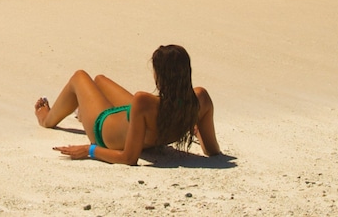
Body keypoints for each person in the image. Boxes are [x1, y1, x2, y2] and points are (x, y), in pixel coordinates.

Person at [34, 44, 220, 165]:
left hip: (103, 130)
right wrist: (194, 127)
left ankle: (46, 118)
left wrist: (89, 150)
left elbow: (128, 158)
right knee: (99, 80)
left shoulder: (144, 101)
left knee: (79, 77)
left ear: (160, 77)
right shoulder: (199, 100)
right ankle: (83, 112)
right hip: (136, 123)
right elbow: (212, 151)